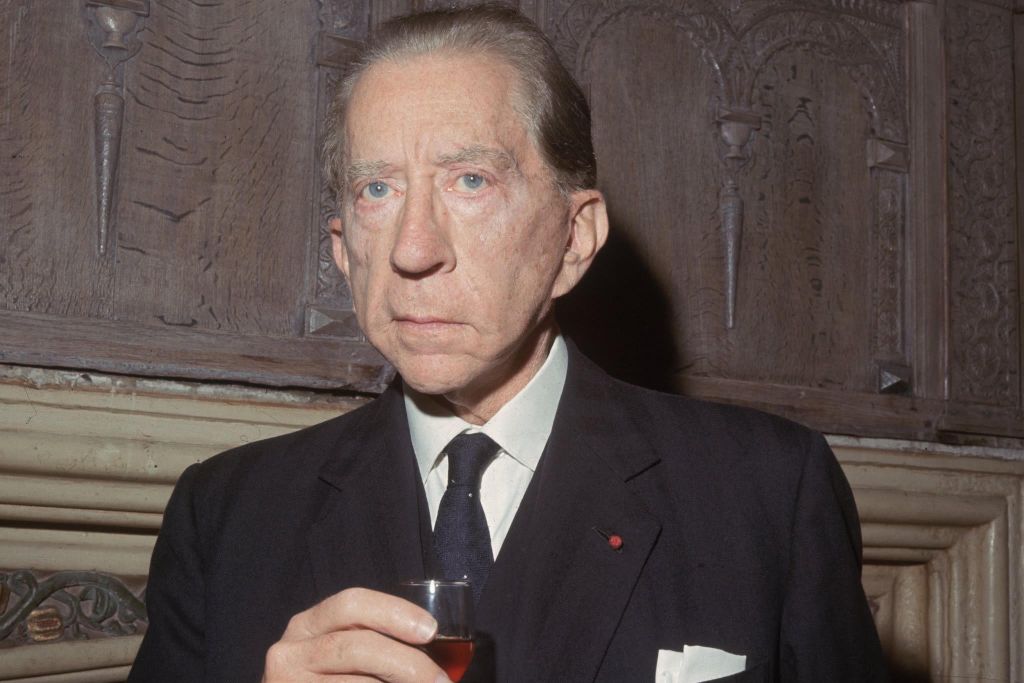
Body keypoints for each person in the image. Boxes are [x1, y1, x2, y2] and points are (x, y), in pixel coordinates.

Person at [128, 4, 887, 682]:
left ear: (574, 239)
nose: (413, 248)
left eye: (469, 181)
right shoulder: (226, 516)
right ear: (341, 250)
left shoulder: (768, 491)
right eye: (378, 190)